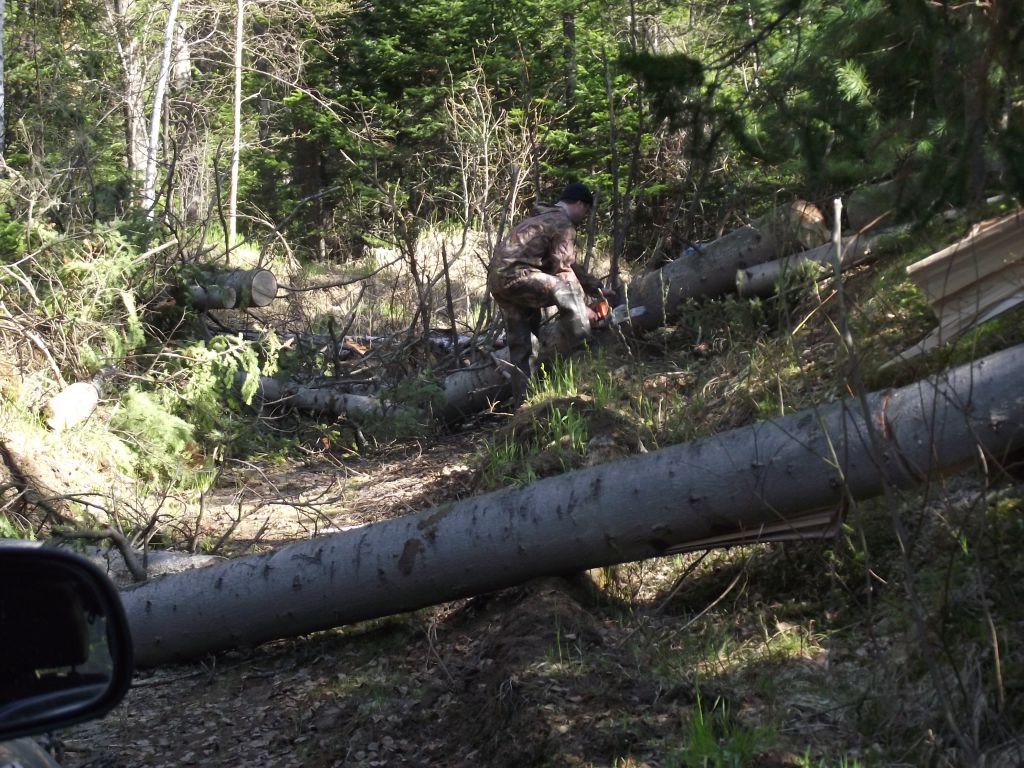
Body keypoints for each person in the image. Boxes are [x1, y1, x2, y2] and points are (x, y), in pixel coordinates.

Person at [488, 182, 608, 404]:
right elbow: (564, 270)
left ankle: (524, 406)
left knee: (523, 345)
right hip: (518, 275)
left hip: (499, 282)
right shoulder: (563, 223)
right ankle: (585, 355)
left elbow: (569, 262)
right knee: (564, 290)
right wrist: (582, 308)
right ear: (580, 204)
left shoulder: (541, 218)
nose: (585, 217)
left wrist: (596, 287)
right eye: (587, 211)